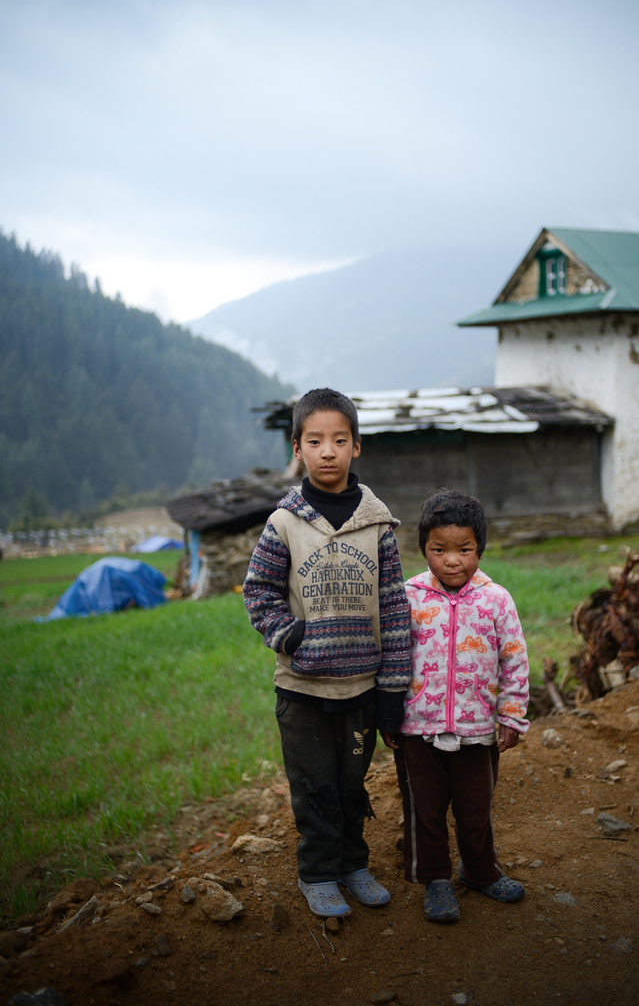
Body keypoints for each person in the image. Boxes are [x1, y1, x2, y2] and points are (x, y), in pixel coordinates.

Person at [244, 388, 411, 918]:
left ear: (356, 447)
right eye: (315, 441)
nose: (328, 451)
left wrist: (392, 690)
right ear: (298, 448)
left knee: (351, 783)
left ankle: (352, 864)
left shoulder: (378, 525)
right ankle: (317, 871)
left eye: (340, 440)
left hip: (361, 688)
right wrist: (287, 635)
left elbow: (394, 608)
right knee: (315, 786)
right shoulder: (284, 523)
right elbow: (259, 592)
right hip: (303, 690)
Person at [388, 489, 529, 923]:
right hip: (418, 728)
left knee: (475, 808)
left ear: (480, 549)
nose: (452, 560)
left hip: (477, 728)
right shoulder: (408, 597)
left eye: (464, 549)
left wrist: (511, 713)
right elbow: (391, 654)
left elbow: (515, 657)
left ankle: (480, 872)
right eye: (439, 549)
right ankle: (435, 879)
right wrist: (388, 713)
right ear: (424, 549)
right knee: (425, 810)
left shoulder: (496, 599)